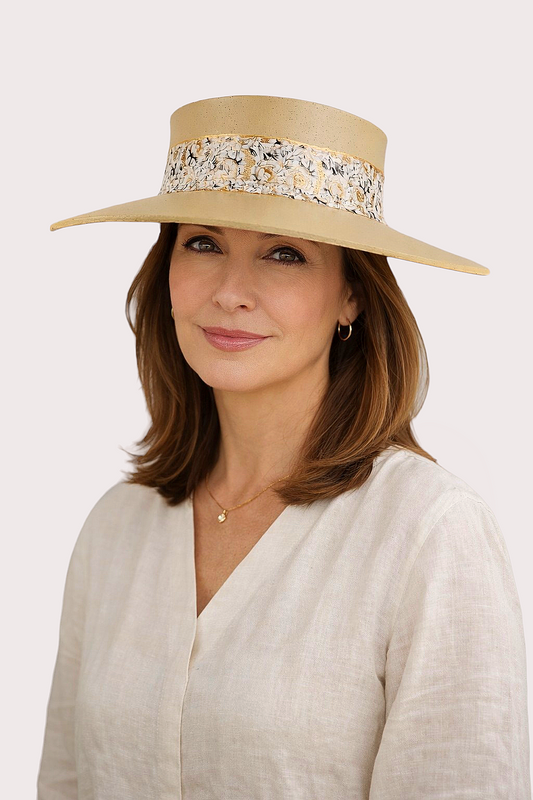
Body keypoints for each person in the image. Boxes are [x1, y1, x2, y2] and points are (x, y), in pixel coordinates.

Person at [37, 95, 531, 799]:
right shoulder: (117, 527)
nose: (231, 291)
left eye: (284, 255)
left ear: (351, 297)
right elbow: (67, 783)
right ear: (165, 268)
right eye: (202, 242)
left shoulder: (428, 534)